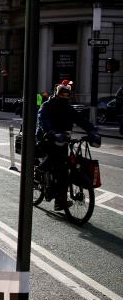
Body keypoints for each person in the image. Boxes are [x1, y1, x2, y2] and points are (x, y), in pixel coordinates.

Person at [36, 80, 99, 211]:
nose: (65, 97)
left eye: (67, 95)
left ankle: (60, 201)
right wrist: (51, 132)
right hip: (47, 138)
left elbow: (81, 120)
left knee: (65, 168)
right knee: (55, 160)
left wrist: (92, 130)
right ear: (57, 93)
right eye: (62, 94)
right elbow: (43, 120)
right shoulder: (47, 106)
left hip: (63, 140)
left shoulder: (68, 108)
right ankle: (40, 171)